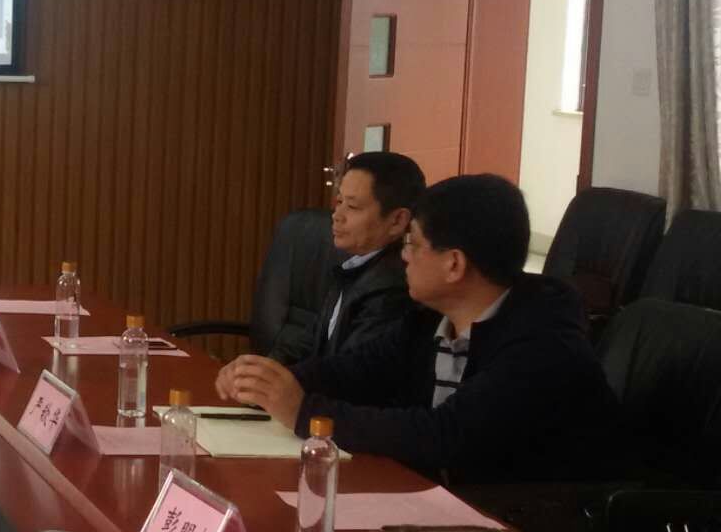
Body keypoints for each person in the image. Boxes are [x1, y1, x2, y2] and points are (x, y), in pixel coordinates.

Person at [217, 174, 620, 485]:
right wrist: (268, 382)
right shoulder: (429, 319)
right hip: (437, 504)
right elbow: (357, 370)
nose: (404, 257)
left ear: (454, 264)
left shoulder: (543, 344)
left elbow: (446, 435)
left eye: (413, 244)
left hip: (528, 529)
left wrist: (305, 412)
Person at [294, 151, 425, 368]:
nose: (337, 215)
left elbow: (351, 372)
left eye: (353, 207)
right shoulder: (353, 268)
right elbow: (311, 345)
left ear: (397, 221)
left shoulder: (393, 289)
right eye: (339, 201)